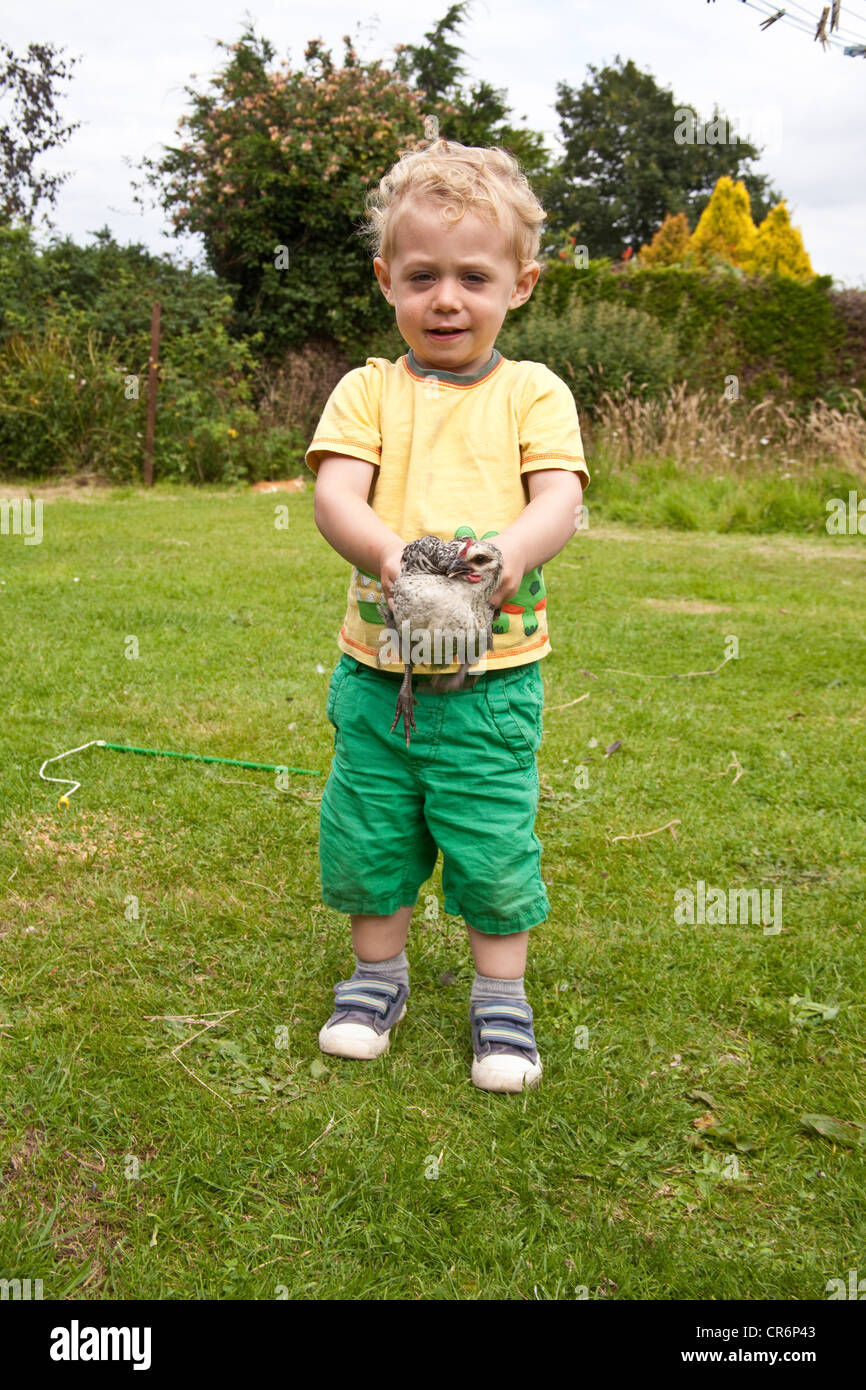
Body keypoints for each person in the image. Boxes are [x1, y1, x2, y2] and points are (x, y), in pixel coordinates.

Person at [305, 138, 589, 1092]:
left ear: (523, 283)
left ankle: (499, 998)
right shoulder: (367, 391)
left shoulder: (534, 393)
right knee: (369, 830)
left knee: (491, 839)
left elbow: (558, 502)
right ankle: (374, 979)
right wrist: (389, 557)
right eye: (421, 275)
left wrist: (508, 554)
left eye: (475, 275)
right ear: (387, 280)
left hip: (491, 688)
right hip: (378, 680)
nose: (447, 299)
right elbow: (338, 497)